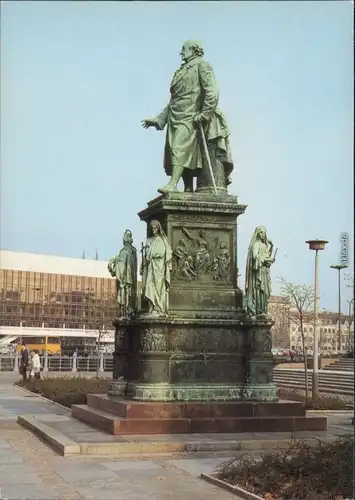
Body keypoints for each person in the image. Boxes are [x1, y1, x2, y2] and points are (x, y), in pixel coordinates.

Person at [142, 40, 234, 194]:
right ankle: (188, 187)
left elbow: (213, 91)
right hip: (176, 117)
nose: (181, 52)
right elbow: (174, 101)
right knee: (178, 151)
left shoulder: (202, 66)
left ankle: (172, 184)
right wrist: (159, 119)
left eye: (184, 49)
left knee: (179, 148)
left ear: (194, 50)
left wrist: (205, 113)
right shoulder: (181, 70)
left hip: (191, 116)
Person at [141, 220, 173, 316]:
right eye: (152, 228)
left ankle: (158, 308)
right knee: (150, 286)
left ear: (158, 228)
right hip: (151, 268)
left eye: (155, 227)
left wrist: (151, 255)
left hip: (158, 269)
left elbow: (164, 253)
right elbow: (147, 255)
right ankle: (151, 306)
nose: (153, 229)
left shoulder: (162, 240)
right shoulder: (150, 240)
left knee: (158, 288)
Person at [244, 226, 276, 316]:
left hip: (264, 271)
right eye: (261, 232)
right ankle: (259, 309)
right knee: (259, 290)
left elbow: (266, 255)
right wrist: (265, 260)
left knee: (264, 292)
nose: (263, 234)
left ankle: (263, 309)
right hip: (259, 272)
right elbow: (255, 256)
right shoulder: (256, 244)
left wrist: (270, 256)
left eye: (264, 233)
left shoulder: (264, 245)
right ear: (257, 233)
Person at [108, 229, 138, 318]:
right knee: (129, 298)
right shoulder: (133, 251)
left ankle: (125, 313)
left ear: (124, 240)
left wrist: (111, 268)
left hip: (125, 282)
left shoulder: (124, 252)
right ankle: (129, 311)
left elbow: (120, 269)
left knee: (124, 299)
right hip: (131, 281)